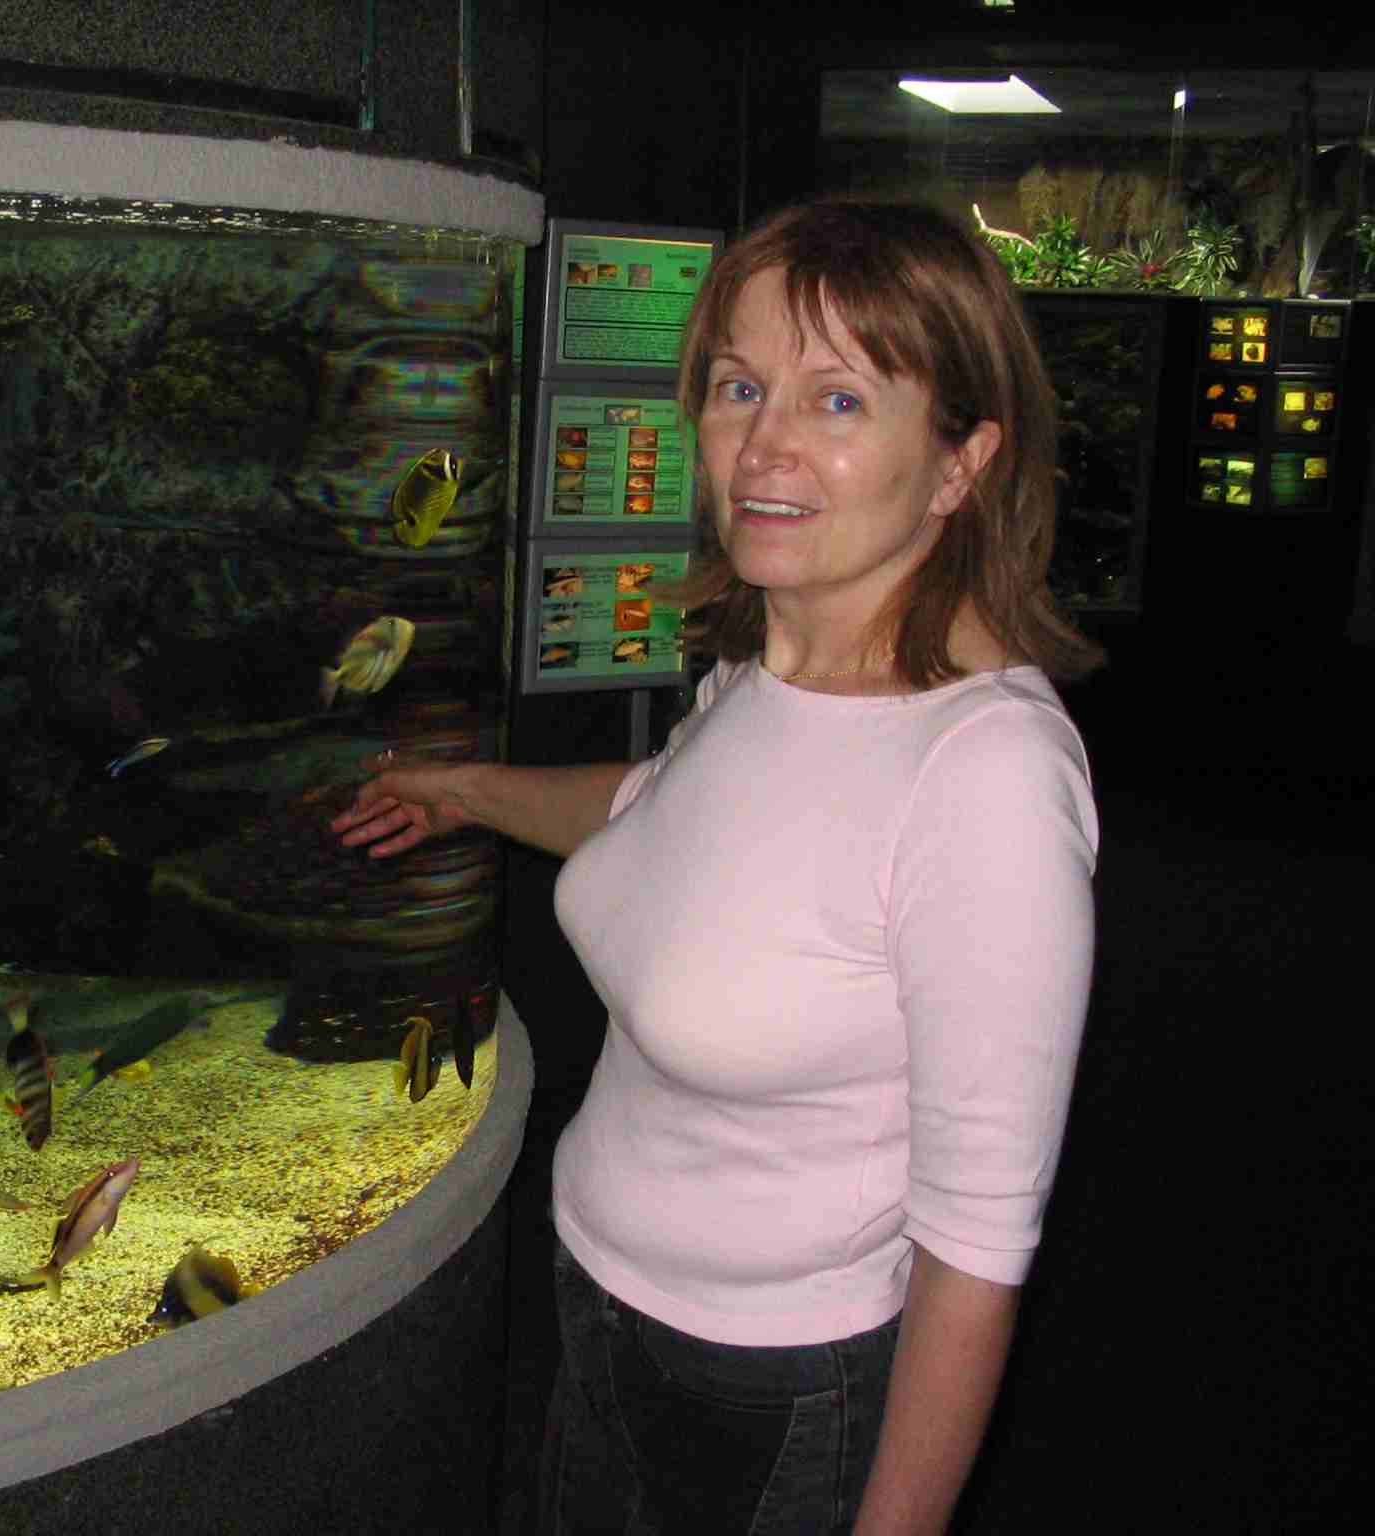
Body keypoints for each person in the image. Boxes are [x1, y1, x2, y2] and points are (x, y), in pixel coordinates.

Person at [331, 197, 1102, 1536]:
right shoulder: (769, 662)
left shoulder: (986, 778)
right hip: (599, 1297)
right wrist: (464, 793)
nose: (765, 444)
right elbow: (661, 820)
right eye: (741, 386)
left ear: (960, 462)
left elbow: (976, 1251)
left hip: (777, 1382)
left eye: (840, 400)